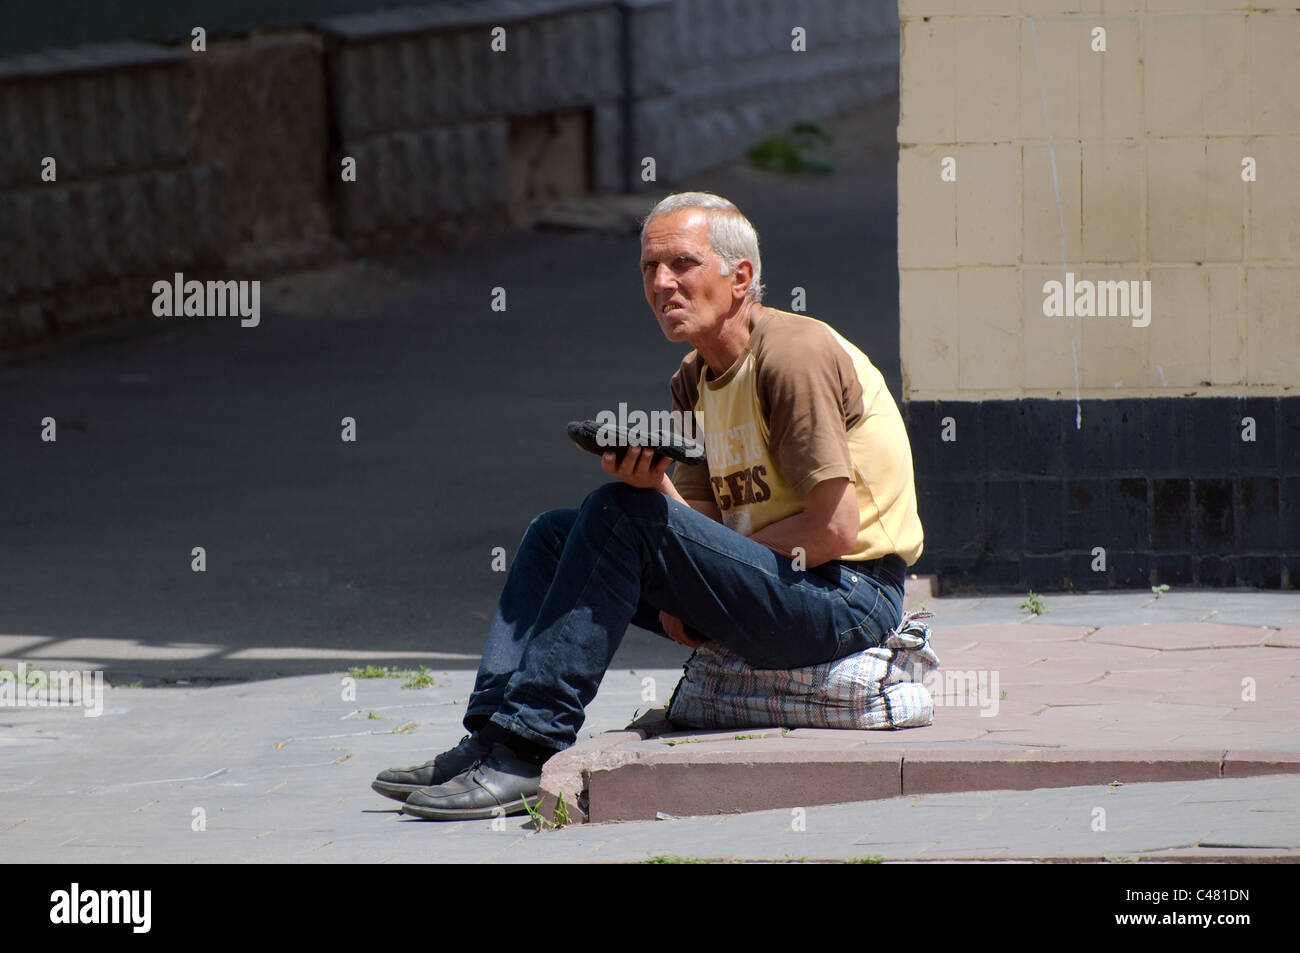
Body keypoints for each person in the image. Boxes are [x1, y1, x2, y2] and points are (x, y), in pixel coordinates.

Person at [374, 191, 924, 821]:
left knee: (617, 515)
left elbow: (831, 529)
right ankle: (492, 737)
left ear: (740, 276)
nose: (663, 283)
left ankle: (528, 751)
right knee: (561, 532)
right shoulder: (692, 378)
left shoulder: (791, 356)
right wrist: (656, 492)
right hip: (779, 584)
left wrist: (689, 570)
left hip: (846, 596)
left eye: (683, 264)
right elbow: (696, 527)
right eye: (649, 268)